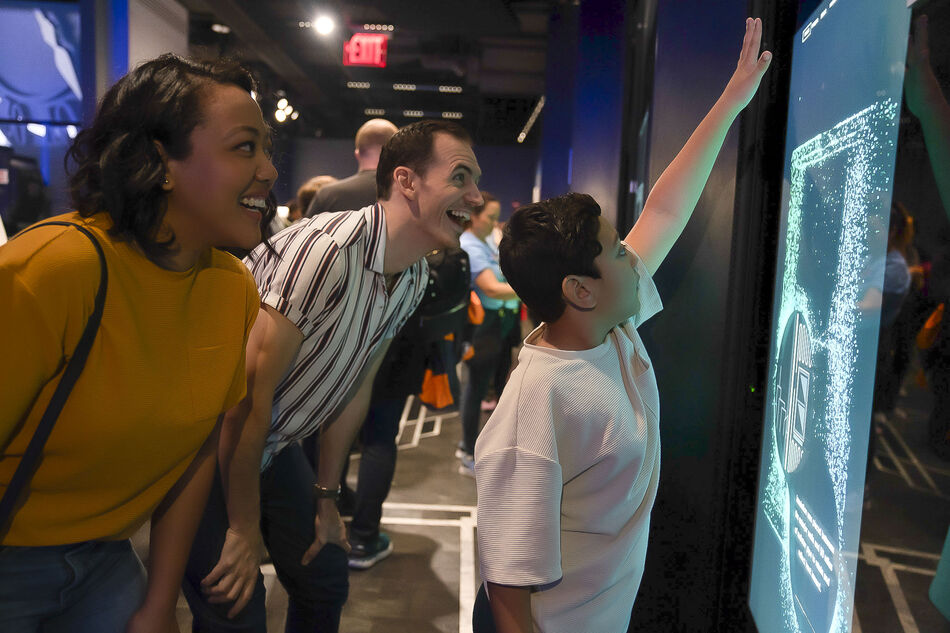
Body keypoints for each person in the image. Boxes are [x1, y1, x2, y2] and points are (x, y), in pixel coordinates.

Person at [473, 18, 771, 633]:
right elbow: (507, 591)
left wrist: (731, 100)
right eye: (615, 252)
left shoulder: (613, 328)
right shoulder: (534, 408)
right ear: (579, 290)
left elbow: (664, 208)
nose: (630, 257)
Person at [0, 54, 275, 632]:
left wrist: (159, 601)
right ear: (160, 162)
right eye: (244, 147)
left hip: (106, 559)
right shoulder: (52, 271)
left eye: (265, 149)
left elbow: (197, 449)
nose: (269, 170)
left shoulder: (232, 289)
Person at [183, 119, 483, 631]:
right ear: (406, 181)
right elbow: (246, 401)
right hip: (202, 447)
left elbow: (356, 387)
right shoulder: (329, 253)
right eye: (460, 177)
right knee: (233, 604)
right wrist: (242, 526)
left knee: (324, 576)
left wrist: (326, 498)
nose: (475, 197)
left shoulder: (411, 277)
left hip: (270, 445)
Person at [456, 192, 520, 476]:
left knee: (496, 384)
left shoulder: (487, 240)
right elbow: (492, 288)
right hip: (483, 325)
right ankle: (467, 451)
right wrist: (531, 288)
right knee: (475, 388)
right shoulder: (469, 245)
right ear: (473, 216)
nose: (495, 224)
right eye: (491, 218)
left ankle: (484, 448)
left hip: (502, 321)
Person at [305, 118, 398, 217]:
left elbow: (305, 232)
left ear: (357, 154)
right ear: (396, 154)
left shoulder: (327, 196)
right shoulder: (409, 196)